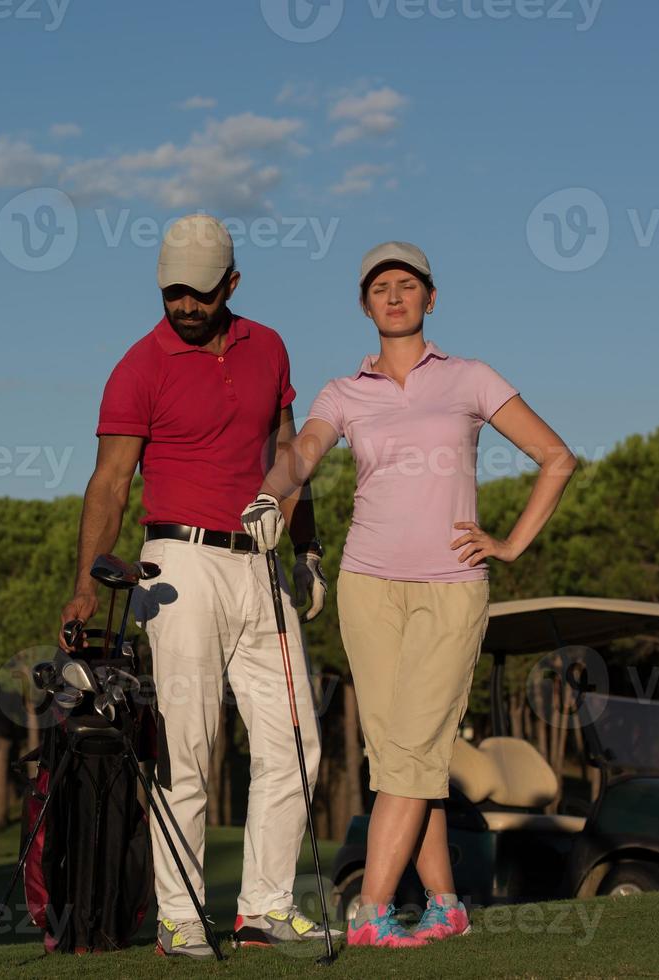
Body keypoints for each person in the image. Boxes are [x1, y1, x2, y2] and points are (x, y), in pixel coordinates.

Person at [242, 241, 577, 947]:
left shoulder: (470, 378)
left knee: (415, 746)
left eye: (406, 285)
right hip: (366, 586)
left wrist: (509, 544)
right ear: (364, 305)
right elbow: (302, 452)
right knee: (397, 754)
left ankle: (366, 913)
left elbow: (556, 456)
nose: (393, 297)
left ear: (431, 297)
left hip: (451, 587)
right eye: (379, 288)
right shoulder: (342, 392)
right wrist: (271, 494)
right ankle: (445, 905)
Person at [60, 214, 335, 958]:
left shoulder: (268, 346)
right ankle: (180, 917)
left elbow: (285, 450)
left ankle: (263, 908)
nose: (183, 306)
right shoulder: (138, 365)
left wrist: (304, 544)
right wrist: (86, 581)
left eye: (199, 293)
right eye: (170, 291)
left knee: (297, 744)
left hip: (261, 562)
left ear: (232, 284)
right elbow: (111, 480)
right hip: (176, 568)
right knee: (188, 750)